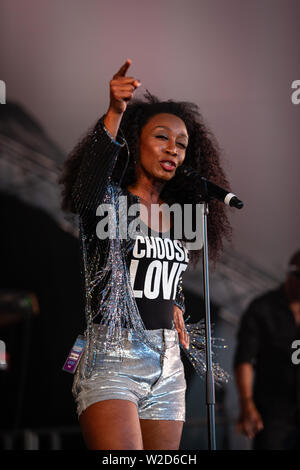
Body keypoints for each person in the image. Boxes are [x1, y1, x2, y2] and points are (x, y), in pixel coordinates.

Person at [59, 59, 231, 450]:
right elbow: (85, 190)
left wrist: (173, 306)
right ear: (136, 142)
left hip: (168, 360)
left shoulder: (180, 215)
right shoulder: (112, 204)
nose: (173, 149)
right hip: (113, 353)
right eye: (162, 138)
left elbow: (159, 275)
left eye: (182, 144)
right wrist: (115, 113)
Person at [234, 250, 300, 450]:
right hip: (273, 415)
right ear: (291, 274)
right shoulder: (262, 308)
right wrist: (247, 404)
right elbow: (244, 359)